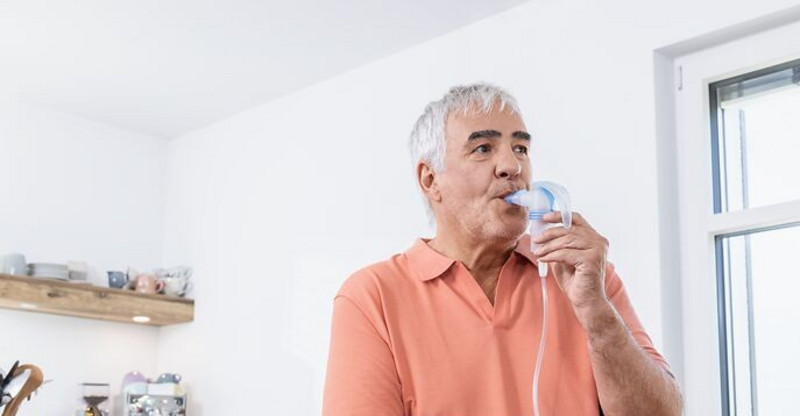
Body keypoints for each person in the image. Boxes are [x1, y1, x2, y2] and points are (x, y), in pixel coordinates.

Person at [322, 83, 683, 415]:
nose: (513, 166)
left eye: (521, 148)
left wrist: (598, 316)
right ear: (430, 179)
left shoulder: (584, 277)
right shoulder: (372, 297)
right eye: (483, 148)